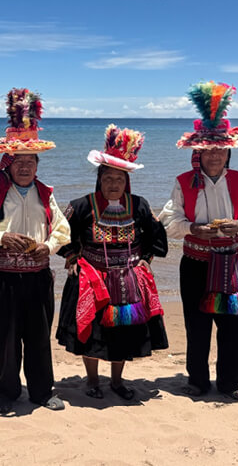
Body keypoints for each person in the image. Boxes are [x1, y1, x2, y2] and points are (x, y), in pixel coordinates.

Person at [158, 81, 238, 401]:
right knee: (197, 324)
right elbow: (169, 220)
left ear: (228, 152)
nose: (215, 156)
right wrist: (193, 229)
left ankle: (230, 383)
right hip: (195, 263)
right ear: (199, 152)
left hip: (232, 264)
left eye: (221, 150)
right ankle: (197, 381)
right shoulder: (183, 182)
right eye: (209, 151)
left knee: (233, 325)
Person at [0, 88, 70, 414]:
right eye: (20, 162)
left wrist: (49, 246)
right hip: (4, 280)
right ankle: (8, 393)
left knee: (40, 339)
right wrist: (2, 238)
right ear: (9, 164)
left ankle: (43, 392)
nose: (25, 167)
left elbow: (62, 230)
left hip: (39, 277)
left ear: (37, 164)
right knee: (7, 340)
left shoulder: (46, 193)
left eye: (31, 161)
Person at [56, 124, 168, 400]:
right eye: (108, 179)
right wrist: (72, 258)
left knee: (124, 335)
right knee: (91, 333)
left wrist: (145, 261)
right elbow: (59, 232)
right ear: (99, 179)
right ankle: (93, 381)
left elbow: (157, 236)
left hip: (129, 281)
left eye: (119, 179)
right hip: (90, 280)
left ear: (126, 181)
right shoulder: (81, 206)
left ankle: (117, 381)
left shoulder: (139, 205)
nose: (114, 185)